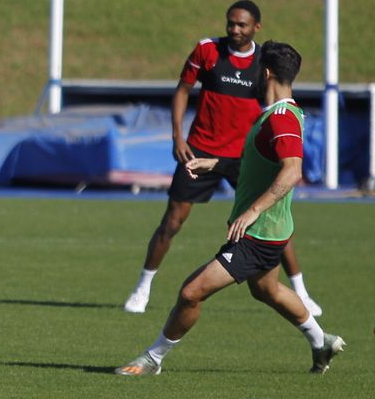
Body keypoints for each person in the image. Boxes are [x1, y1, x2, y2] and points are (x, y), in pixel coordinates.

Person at [116, 41, 344, 377]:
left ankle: (153, 359)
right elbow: (259, 163)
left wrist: (252, 211)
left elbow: (292, 170)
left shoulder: (282, 119)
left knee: (191, 292)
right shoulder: (276, 114)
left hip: (258, 234)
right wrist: (218, 164)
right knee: (267, 290)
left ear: (265, 73)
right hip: (271, 231)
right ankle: (321, 340)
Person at [122, 1, 323, 317]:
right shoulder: (207, 50)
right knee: (172, 220)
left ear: (256, 27)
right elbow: (182, 89)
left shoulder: (264, 63)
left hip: (246, 154)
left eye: (242, 25)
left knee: (270, 222)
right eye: (230, 23)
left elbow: (275, 108)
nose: (234, 29)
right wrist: (177, 136)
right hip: (201, 149)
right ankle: (143, 286)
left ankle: (301, 291)